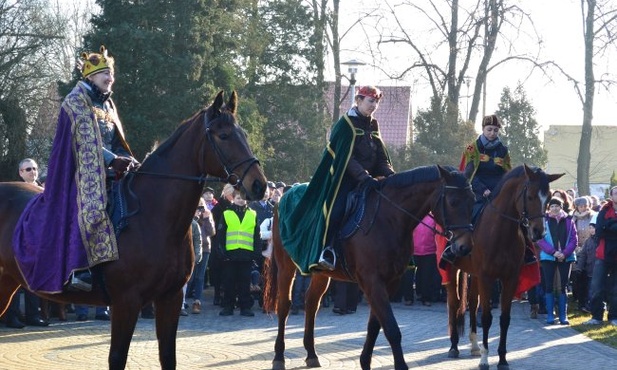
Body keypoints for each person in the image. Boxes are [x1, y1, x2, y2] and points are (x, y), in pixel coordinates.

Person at [13, 46, 138, 294]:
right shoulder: (75, 100)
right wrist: (111, 160)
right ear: (90, 77)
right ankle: (81, 270)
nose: (110, 77)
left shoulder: (109, 104)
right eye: (104, 73)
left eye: (111, 73)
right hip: (80, 174)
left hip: (109, 173)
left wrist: (126, 158)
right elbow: (84, 142)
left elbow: (116, 141)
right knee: (91, 208)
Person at [279, 86, 394, 273]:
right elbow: (345, 158)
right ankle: (327, 250)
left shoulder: (373, 125)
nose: (374, 105)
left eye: (377, 102)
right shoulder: (345, 124)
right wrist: (363, 177)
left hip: (371, 181)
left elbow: (381, 156)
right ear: (358, 100)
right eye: (370, 101)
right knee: (335, 210)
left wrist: (389, 174)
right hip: (345, 180)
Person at [217, 190, 261, 317]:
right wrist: (222, 252)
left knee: (245, 283)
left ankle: (245, 308)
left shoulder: (253, 214)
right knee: (228, 282)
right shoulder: (226, 213)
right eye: (237, 198)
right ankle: (228, 307)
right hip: (230, 255)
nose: (240, 200)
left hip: (247, 255)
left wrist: (256, 254)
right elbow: (221, 235)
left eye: (242, 198)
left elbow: (257, 236)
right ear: (233, 199)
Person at [537, 197, 578, 325]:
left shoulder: (569, 221)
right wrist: (553, 252)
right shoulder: (544, 220)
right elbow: (539, 239)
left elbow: (574, 239)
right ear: (549, 208)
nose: (555, 208)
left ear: (561, 207)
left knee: (563, 286)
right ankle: (550, 315)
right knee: (549, 285)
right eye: (552, 206)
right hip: (548, 257)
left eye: (557, 206)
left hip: (566, 257)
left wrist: (564, 253)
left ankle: (563, 316)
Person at [584, 186, 617, 326]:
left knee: (616, 289)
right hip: (603, 254)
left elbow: (605, 228)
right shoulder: (603, 211)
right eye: (616, 193)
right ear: (611, 195)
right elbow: (599, 231)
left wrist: (609, 226)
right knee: (597, 287)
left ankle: (614, 317)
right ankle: (596, 316)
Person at [187, 198, 215, 314]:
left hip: (204, 249)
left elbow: (212, 232)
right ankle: (182, 301)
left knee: (200, 277)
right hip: (190, 248)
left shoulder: (207, 215)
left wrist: (207, 218)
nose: (199, 209)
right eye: (197, 207)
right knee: (189, 276)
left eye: (201, 207)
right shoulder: (188, 213)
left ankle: (197, 302)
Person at [209, 184, 235, 306]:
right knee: (218, 270)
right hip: (218, 243)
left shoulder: (236, 207)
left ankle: (228, 295)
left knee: (229, 272)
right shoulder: (217, 208)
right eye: (232, 194)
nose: (233, 197)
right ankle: (217, 294)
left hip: (232, 242)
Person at [413, 214, 441, 306]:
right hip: (413, 251)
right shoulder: (415, 216)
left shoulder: (433, 219)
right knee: (411, 274)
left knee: (427, 276)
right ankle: (411, 296)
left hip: (429, 252)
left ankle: (426, 298)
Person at [576, 213, 598, 313]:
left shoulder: (601, 241)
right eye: (590, 228)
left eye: (594, 228)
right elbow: (583, 255)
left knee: (598, 291)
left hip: (599, 271)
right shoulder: (588, 241)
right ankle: (589, 306)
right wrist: (579, 268)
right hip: (589, 271)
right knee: (590, 290)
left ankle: (596, 307)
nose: (592, 230)